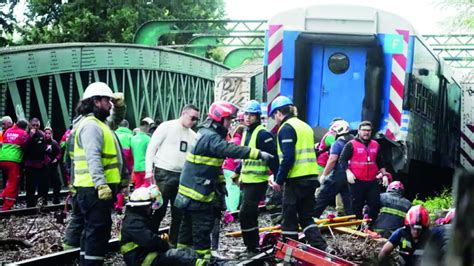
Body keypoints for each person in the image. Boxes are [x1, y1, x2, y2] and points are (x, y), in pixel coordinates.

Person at [174, 101, 273, 260]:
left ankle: (181, 259)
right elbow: (228, 149)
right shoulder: (211, 137)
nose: (230, 123)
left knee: (186, 232)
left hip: (190, 192)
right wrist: (258, 154)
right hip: (198, 195)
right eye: (228, 119)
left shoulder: (206, 134)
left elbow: (214, 166)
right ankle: (202, 261)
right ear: (219, 119)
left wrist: (220, 183)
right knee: (201, 232)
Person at [72, 81, 128, 265]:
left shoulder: (100, 123)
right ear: (96, 101)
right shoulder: (91, 126)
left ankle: (85, 262)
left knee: (92, 229)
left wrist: (120, 107)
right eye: (107, 100)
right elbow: (93, 157)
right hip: (93, 188)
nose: (110, 104)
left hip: (91, 187)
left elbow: (116, 119)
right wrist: (101, 184)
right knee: (98, 230)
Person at [269, 96, 328, 251]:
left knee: (288, 218)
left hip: (295, 179)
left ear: (279, 113)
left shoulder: (286, 128)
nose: (275, 120)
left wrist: (279, 180)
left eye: (274, 115)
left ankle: (289, 254)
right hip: (310, 177)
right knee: (306, 217)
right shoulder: (305, 126)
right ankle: (322, 249)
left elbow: (288, 157)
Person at [145, 104, 200, 247]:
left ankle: (173, 243)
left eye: (196, 120)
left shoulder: (194, 136)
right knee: (158, 209)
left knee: (179, 213)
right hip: (164, 172)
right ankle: (149, 241)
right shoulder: (166, 127)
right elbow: (152, 147)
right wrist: (148, 171)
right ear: (183, 113)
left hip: (182, 175)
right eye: (192, 118)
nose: (194, 122)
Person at [233, 100, 280, 258]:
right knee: (248, 214)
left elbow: (273, 158)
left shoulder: (262, 134)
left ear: (257, 116)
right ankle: (251, 246)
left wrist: (278, 177)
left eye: (251, 115)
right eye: (246, 114)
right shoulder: (247, 132)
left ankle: (252, 247)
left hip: (257, 181)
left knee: (246, 213)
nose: (247, 117)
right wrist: (237, 171)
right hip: (247, 180)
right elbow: (247, 156)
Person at [120, 185, 206, 266]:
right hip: (141, 260)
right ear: (144, 207)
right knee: (178, 257)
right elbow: (151, 241)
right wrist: (164, 244)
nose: (151, 209)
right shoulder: (133, 223)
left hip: (142, 254)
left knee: (182, 253)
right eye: (150, 206)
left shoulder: (136, 218)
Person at [339, 121, 389, 221]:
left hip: (372, 182)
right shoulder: (351, 144)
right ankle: (358, 226)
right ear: (359, 131)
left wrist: (384, 175)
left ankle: (370, 226)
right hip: (356, 181)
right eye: (364, 130)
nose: (366, 132)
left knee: (375, 204)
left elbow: (381, 162)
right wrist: (348, 172)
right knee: (356, 205)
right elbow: (342, 160)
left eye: (369, 130)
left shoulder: (376, 145)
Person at [313, 119, 353, 218]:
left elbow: (332, 159)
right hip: (350, 175)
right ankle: (351, 219)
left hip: (338, 174)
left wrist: (324, 175)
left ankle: (312, 217)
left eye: (334, 132)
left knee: (323, 195)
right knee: (348, 199)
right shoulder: (354, 141)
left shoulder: (338, 143)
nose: (333, 134)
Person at [0, 119, 29, 210]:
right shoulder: (23, 133)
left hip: (2, 158)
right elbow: (26, 146)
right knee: (13, 182)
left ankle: (3, 195)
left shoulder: (8, 131)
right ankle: (6, 206)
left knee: (9, 180)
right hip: (13, 160)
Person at [24, 117, 47, 207]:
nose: (35, 127)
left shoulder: (42, 134)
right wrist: (30, 136)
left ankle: (41, 203)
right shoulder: (26, 134)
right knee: (30, 186)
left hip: (40, 164)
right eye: (33, 125)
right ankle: (30, 204)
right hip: (30, 163)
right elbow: (23, 146)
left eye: (37, 125)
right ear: (30, 125)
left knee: (42, 185)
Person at [130, 119, 152, 188]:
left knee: (138, 187)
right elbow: (150, 154)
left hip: (136, 167)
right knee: (147, 188)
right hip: (146, 168)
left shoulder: (133, 139)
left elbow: (132, 153)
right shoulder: (148, 139)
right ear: (147, 128)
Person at [44, 127, 62, 204]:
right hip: (44, 167)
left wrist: (56, 159)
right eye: (46, 133)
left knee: (57, 183)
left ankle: (56, 199)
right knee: (45, 184)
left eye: (49, 133)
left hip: (53, 166)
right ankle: (44, 200)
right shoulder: (42, 142)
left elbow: (59, 152)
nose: (47, 135)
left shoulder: (54, 143)